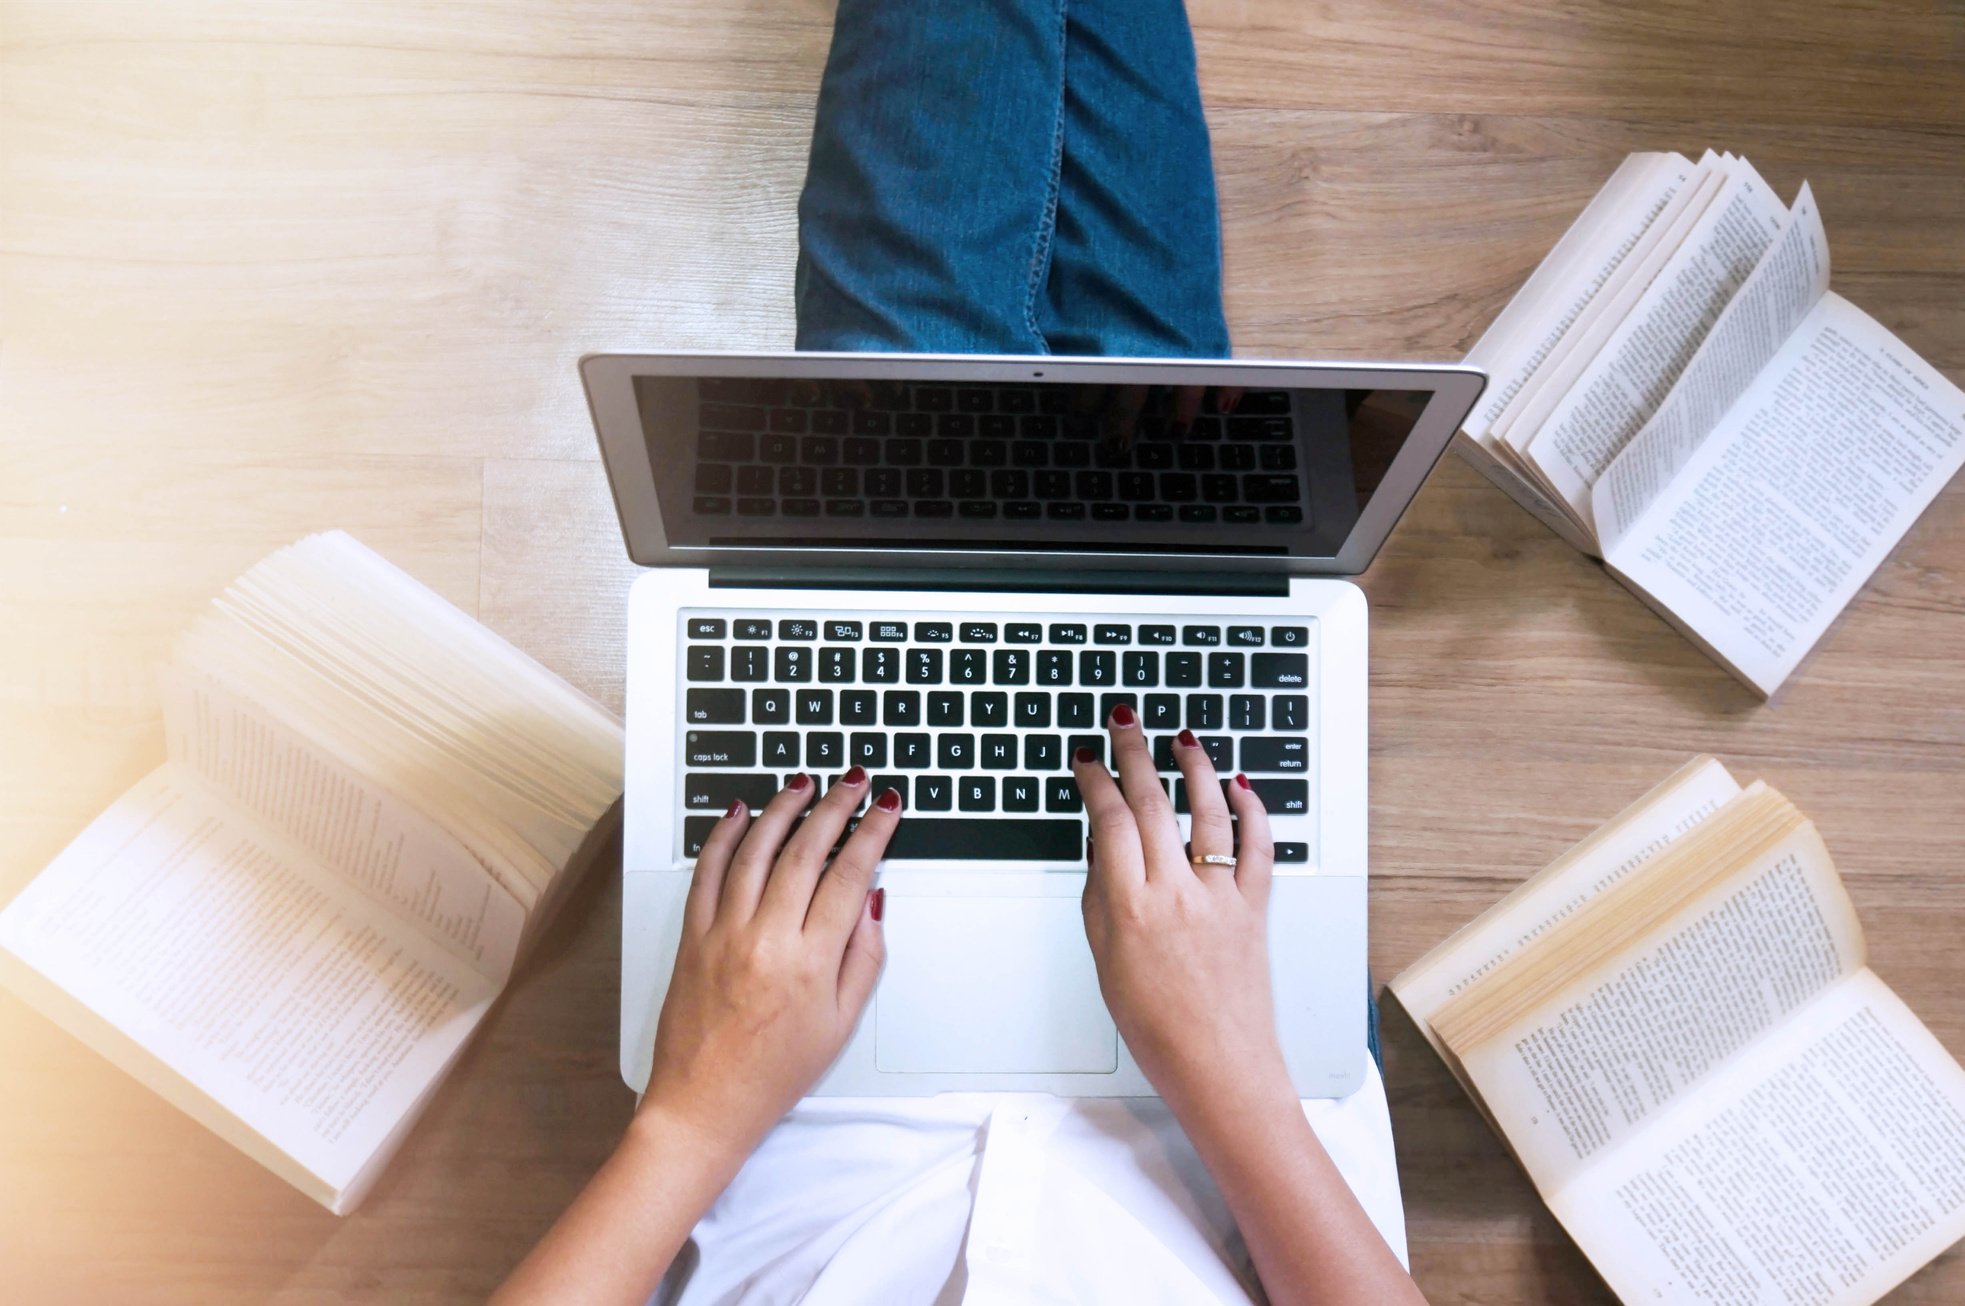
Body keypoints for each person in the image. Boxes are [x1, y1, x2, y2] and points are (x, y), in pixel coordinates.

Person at [497, 2, 1424, 1301]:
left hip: (791, 1073)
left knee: (911, 308)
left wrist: (692, 1119)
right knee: (1148, 356)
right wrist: (1226, 1071)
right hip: (1232, 1107)